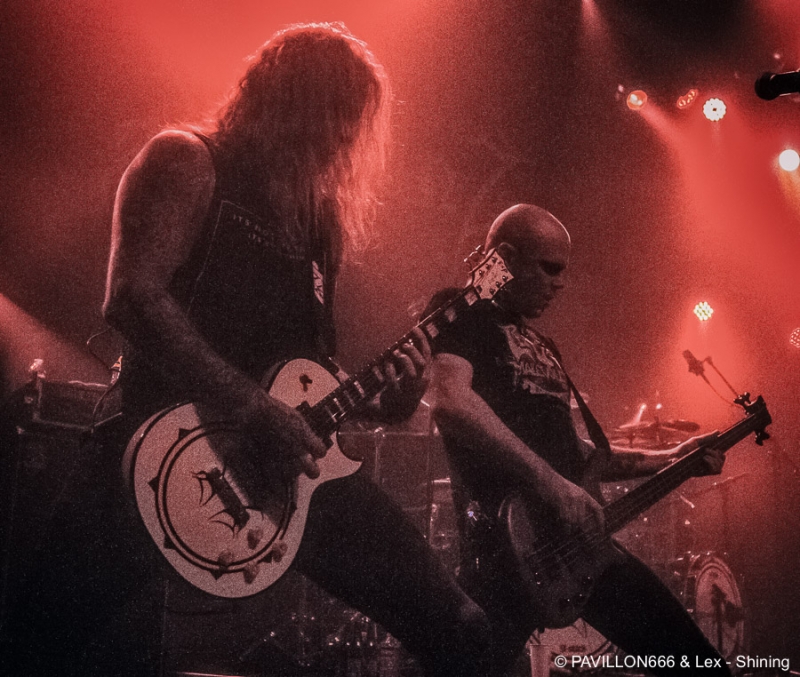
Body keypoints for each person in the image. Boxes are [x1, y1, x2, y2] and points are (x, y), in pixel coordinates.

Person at [5, 23, 489, 677]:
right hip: (155, 443)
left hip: (286, 473)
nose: (345, 138)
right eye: (336, 114)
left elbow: (308, 370)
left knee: (462, 627)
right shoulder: (187, 160)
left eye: (354, 122)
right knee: (38, 644)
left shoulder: (317, 221)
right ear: (291, 102)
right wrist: (254, 407)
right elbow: (133, 298)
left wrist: (389, 397)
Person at [426, 203, 731, 677]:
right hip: (506, 550)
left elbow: (580, 456)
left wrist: (672, 457)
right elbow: (452, 402)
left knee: (697, 665)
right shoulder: (460, 310)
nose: (560, 283)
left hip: (578, 550)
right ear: (505, 257)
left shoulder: (545, 346)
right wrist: (552, 485)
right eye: (550, 268)